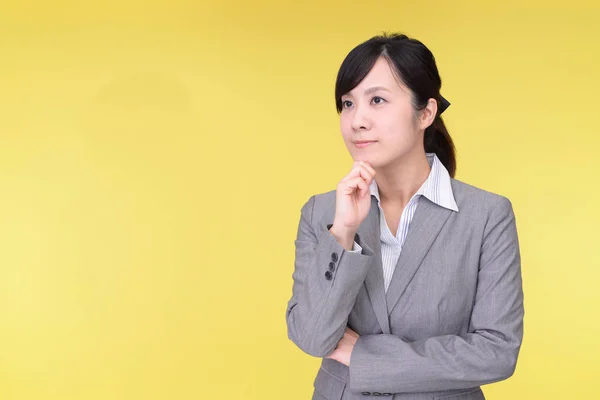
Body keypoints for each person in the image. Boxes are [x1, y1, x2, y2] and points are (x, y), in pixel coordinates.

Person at [285, 33, 524, 400]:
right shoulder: (322, 212)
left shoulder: (486, 215)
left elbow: (496, 352)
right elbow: (312, 336)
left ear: (426, 113)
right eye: (347, 104)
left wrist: (361, 355)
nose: (357, 120)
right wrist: (344, 231)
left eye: (377, 100)